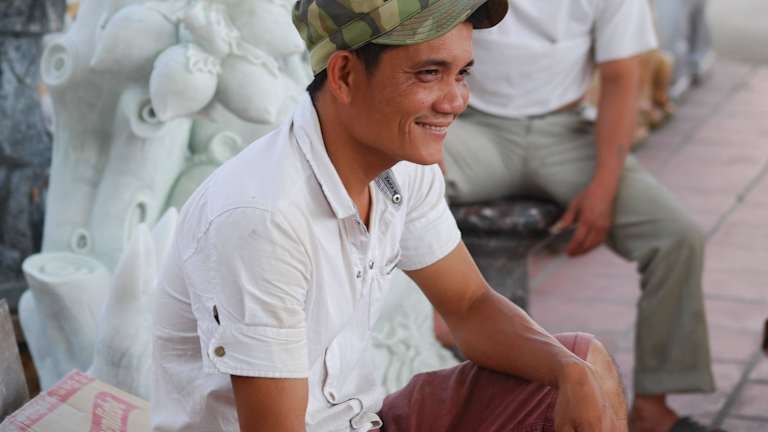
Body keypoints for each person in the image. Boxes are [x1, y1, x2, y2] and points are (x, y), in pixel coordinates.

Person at [151, 0, 627, 431]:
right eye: (429, 74)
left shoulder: (403, 166)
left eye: (461, 73)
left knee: (586, 366)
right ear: (344, 75)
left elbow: (468, 304)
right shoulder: (263, 218)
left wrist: (567, 371)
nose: (455, 101)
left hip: (364, 421)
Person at [440, 1, 717, 431]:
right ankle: (407, 355)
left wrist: (603, 189)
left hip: (564, 133)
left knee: (677, 237)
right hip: (470, 126)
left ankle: (653, 408)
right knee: (392, 179)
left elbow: (622, 77)